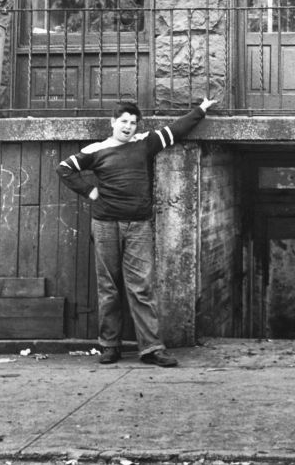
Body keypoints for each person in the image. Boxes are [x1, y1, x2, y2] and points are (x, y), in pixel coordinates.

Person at [57, 96, 217, 366]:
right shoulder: (96, 149)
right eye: (123, 121)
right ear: (113, 123)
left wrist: (200, 110)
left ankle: (151, 349)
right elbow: (64, 169)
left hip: (139, 226)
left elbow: (176, 130)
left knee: (141, 287)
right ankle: (110, 346)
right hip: (106, 224)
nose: (128, 126)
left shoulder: (145, 144)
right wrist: (90, 190)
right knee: (109, 288)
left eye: (133, 122)